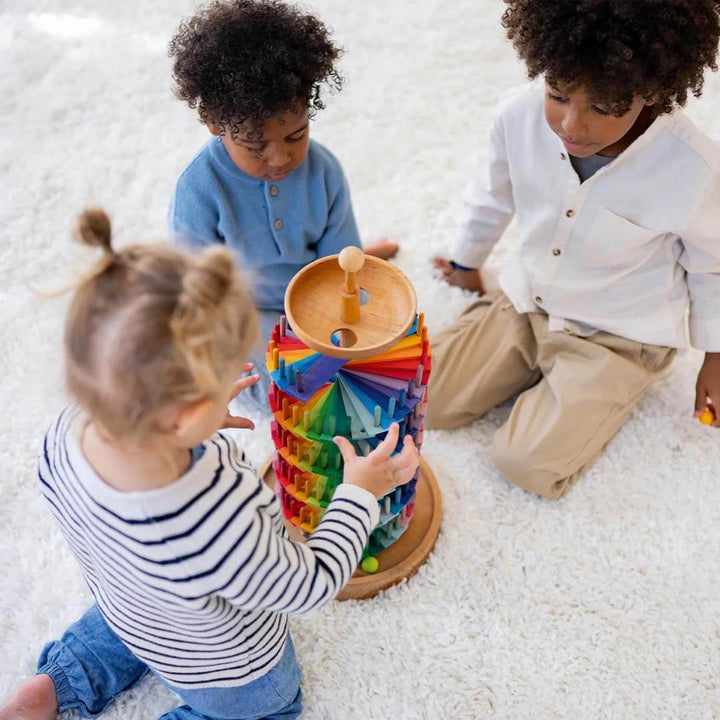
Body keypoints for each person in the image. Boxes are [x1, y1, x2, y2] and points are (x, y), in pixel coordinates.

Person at [0, 208, 418, 720]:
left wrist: (189, 429)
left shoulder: (62, 435)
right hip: (226, 669)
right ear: (185, 415)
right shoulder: (218, 511)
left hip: (134, 608)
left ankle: (57, 682)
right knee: (273, 708)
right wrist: (357, 494)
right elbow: (308, 585)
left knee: (113, 631)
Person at [429, 0, 720, 499]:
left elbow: (712, 266)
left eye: (603, 108)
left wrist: (715, 355)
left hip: (619, 335)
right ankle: (526, 369)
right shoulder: (517, 116)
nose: (572, 125)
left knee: (523, 463)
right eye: (558, 94)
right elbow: (490, 195)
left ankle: (604, 391)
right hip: (528, 300)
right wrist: (465, 261)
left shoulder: (693, 167)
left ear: (650, 91)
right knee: (425, 400)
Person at [167, 0, 398, 408]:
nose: (280, 159)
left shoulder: (324, 170)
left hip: (313, 294)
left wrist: (346, 305)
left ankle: (368, 260)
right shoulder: (199, 189)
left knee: (374, 362)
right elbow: (197, 288)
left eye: (296, 136)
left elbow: (337, 265)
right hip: (247, 308)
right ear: (214, 124)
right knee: (282, 392)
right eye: (256, 146)